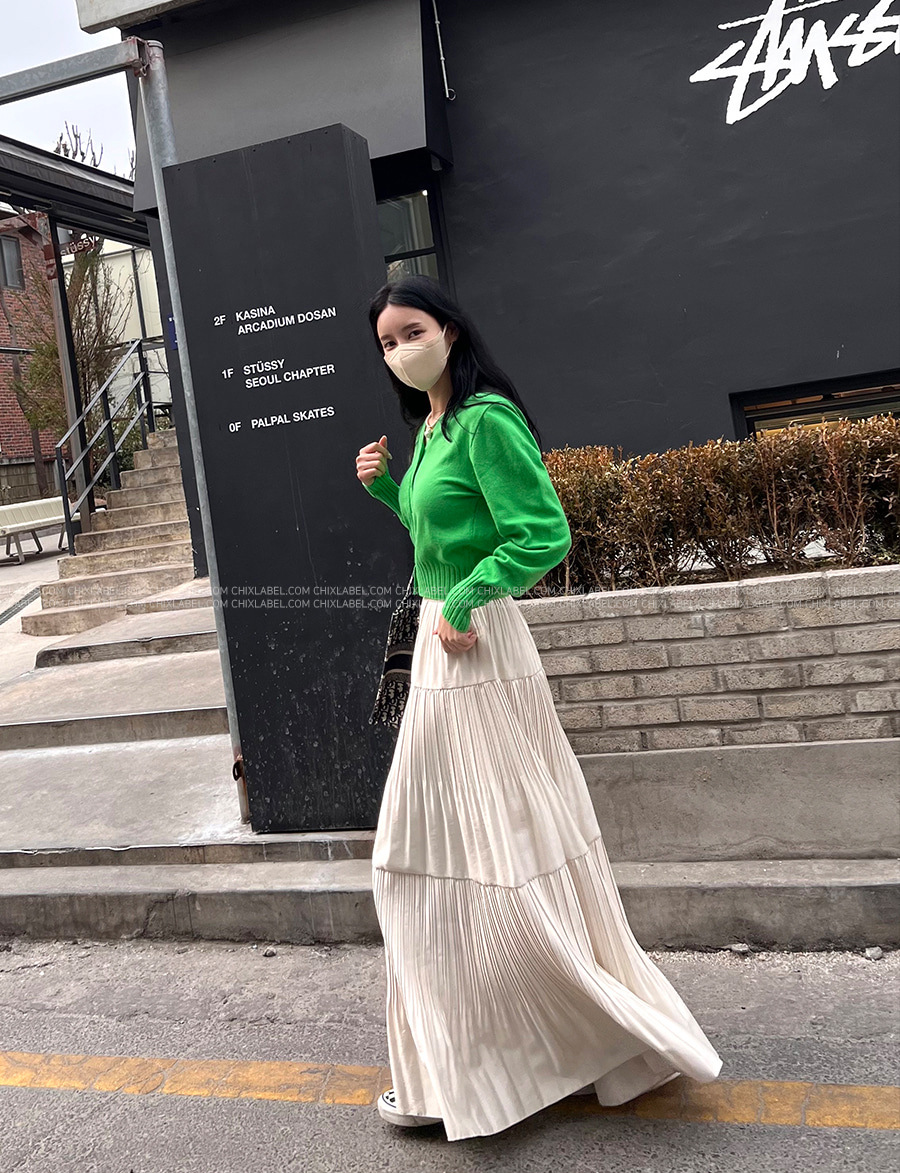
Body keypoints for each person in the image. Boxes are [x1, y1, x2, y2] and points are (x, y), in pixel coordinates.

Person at [356, 274, 723, 1143]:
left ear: (449, 330)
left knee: (468, 856)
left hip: (476, 650)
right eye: (386, 343)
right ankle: (471, 1066)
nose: (399, 351)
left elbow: (542, 533)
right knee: (449, 857)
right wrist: (388, 491)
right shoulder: (434, 429)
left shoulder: (485, 419)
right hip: (446, 650)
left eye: (411, 332)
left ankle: (499, 1062)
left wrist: (465, 598)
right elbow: (441, 536)